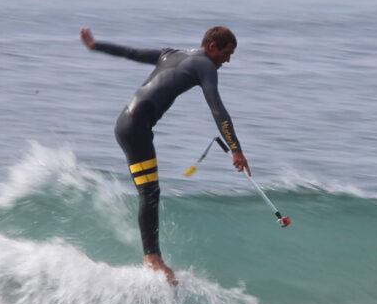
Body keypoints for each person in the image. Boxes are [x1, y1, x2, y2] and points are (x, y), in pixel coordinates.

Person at [80, 26, 250, 285]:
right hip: (135, 127)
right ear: (212, 46)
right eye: (227, 53)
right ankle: (152, 259)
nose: (227, 60)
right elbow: (218, 110)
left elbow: (132, 53)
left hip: (127, 123)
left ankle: (152, 257)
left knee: (149, 191)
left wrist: (95, 45)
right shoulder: (206, 66)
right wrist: (236, 149)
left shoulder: (172, 53)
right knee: (150, 192)